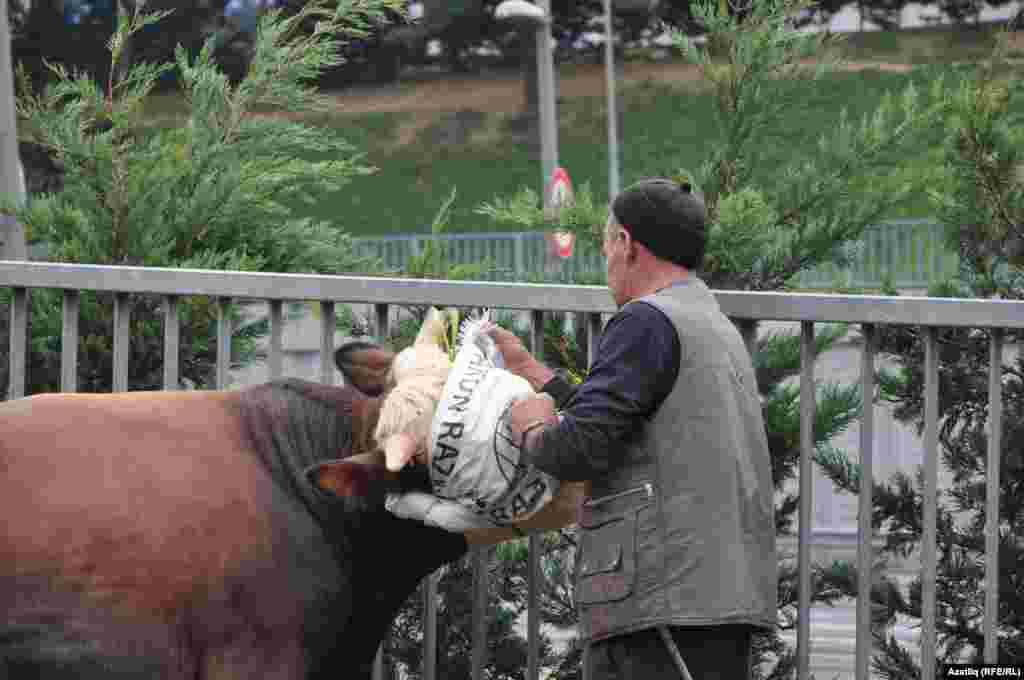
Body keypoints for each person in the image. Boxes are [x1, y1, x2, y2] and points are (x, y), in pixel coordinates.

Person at [488, 178, 777, 680]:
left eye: (605, 247)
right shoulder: (709, 322)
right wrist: (540, 377)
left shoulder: (644, 321)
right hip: (712, 602)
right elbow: (638, 430)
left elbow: (578, 449)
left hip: (659, 607)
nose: (606, 263)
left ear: (627, 244)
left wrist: (533, 428)